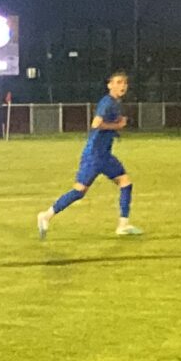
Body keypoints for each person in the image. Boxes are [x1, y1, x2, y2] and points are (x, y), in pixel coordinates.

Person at [38, 70, 141, 239]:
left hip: (104, 155)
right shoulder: (107, 102)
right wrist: (117, 126)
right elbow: (96, 124)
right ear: (110, 85)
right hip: (94, 155)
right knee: (79, 191)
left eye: (124, 83)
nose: (122, 86)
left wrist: (116, 127)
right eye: (118, 82)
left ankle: (123, 225)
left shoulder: (115, 103)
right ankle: (46, 215)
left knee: (125, 182)